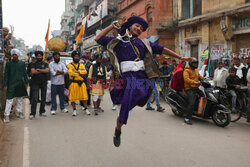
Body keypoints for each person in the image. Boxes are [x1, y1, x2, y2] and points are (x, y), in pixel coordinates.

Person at [94, 16, 193, 147]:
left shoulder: (144, 43)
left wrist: (181, 57)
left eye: (141, 28)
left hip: (141, 76)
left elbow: (162, 49)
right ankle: (118, 131)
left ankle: (125, 110)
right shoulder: (117, 41)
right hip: (126, 77)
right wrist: (112, 26)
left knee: (143, 94)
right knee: (124, 107)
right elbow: (97, 39)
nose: (139, 29)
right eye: (137, 26)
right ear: (129, 26)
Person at [3, 49, 28, 123]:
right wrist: (5, 84)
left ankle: (19, 112)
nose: (14, 56)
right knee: (9, 99)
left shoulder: (22, 63)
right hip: (11, 84)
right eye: (13, 55)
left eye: (15, 55)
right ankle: (6, 115)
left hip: (20, 83)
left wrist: (26, 83)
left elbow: (24, 74)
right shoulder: (9, 63)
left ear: (18, 55)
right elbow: (6, 75)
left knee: (19, 98)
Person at [67, 51, 90, 116]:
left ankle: (86, 109)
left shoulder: (81, 64)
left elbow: (85, 71)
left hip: (81, 83)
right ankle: (74, 110)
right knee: (72, 98)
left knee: (84, 97)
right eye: (75, 56)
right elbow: (70, 73)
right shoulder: (69, 65)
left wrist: (77, 72)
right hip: (73, 83)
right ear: (73, 57)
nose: (76, 58)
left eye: (77, 56)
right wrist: (80, 72)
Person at [183, 59, 204, 125]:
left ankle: (200, 112)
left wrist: (206, 79)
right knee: (191, 103)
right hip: (189, 88)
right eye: (194, 63)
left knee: (203, 96)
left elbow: (200, 77)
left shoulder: (196, 71)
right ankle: (187, 118)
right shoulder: (186, 70)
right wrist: (194, 82)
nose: (195, 65)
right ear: (190, 64)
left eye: (196, 64)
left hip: (196, 88)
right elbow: (186, 79)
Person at [29, 51, 49, 119]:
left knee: (43, 97)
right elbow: (33, 71)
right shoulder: (33, 64)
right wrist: (42, 70)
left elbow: (47, 71)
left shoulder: (45, 63)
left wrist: (38, 70)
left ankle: (42, 111)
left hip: (43, 82)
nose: (39, 57)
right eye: (38, 56)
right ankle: (32, 113)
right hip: (35, 82)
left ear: (42, 56)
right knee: (34, 98)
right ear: (36, 56)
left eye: (40, 56)